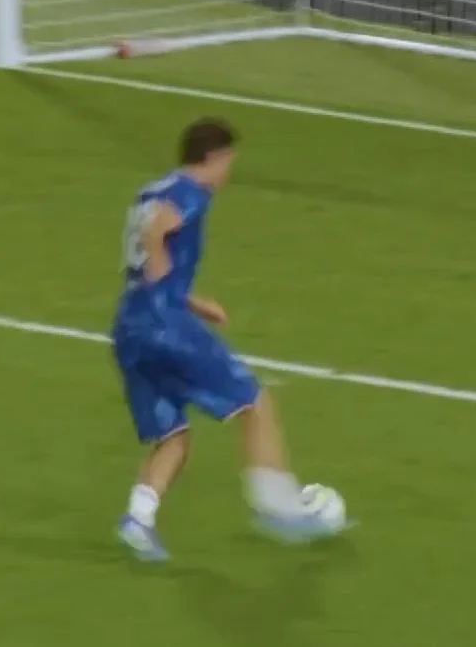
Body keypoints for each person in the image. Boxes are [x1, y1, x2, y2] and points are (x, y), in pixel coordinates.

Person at [111, 118, 344, 562]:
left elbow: (143, 260)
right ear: (214, 157)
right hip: (165, 326)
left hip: (130, 328)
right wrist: (165, 287)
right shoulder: (189, 191)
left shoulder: (149, 191)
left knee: (173, 436)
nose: (228, 174)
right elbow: (156, 233)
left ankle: (138, 521)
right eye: (228, 163)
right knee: (255, 402)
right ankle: (280, 509)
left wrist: (192, 300)